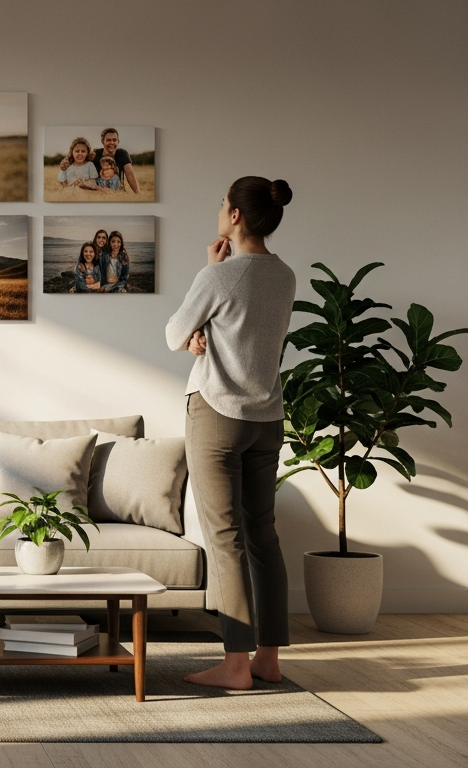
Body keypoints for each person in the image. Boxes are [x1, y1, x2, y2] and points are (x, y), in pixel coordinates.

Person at [165, 176, 297, 690]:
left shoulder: (219, 276)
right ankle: (268, 659)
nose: (219, 210)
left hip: (218, 416)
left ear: (236, 216)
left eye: (222, 204)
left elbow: (175, 334)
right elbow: (246, 334)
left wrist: (209, 273)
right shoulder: (285, 276)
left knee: (224, 541)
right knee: (262, 536)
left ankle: (235, 665)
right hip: (268, 419)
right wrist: (208, 335)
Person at [59, 127, 139, 194]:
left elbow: (130, 174)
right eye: (108, 140)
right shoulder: (95, 154)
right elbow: (79, 156)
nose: (112, 143)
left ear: (118, 141)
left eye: (114, 140)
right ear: (102, 141)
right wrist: (66, 161)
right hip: (97, 192)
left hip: (116, 192)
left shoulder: (122, 153)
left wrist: (137, 193)